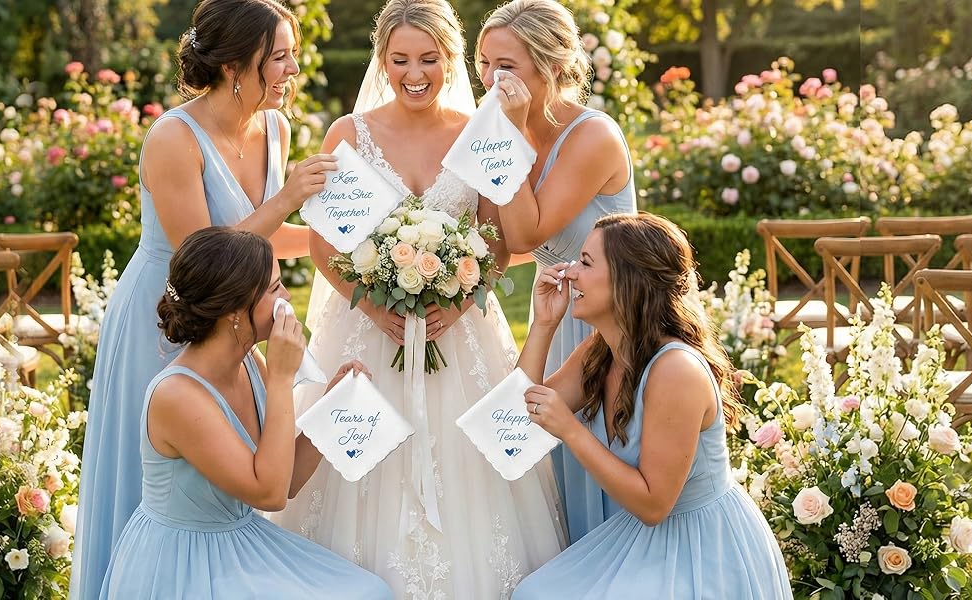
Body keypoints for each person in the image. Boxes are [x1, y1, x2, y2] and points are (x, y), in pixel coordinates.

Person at [270, 1, 563, 597]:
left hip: (459, 333)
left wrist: (456, 304)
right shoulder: (348, 134)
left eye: (429, 58)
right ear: (382, 60)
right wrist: (373, 308)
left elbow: (496, 240)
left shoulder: (479, 134)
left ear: (451, 60)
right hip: (365, 334)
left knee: (470, 466)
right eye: (400, 59)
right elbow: (324, 246)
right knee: (360, 464)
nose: (414, 73)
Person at [71, 0, 337, 595]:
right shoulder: (173, 138)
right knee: (158, 475)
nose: (293, 69)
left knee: (224, 474)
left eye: (293, 54)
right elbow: (205, 255)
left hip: (236, 316)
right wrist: (289, 198)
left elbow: (262, 237)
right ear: (234, 66)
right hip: (167, 312)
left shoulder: (274, 127)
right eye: (279, 57)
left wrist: (340, 242)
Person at [100, 227, 391, 599]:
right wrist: (282, 378)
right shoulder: (178, 396)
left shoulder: (250, 361)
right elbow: (270, 494)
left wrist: (333, 407)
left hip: (239, 542)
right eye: (274, 289)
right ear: (235, 312)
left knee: (371, 590)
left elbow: (286, 480)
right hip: (182, 562)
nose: (287, 298)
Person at [511, 213, 791, 598]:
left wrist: (570, 430)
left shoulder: (675, 371)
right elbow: (517, 416)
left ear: (629, 281)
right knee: (534, 592)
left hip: (701, 549)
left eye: (586, 263)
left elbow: (654, 505)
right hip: (643, 535)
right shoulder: (601, 351)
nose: (571, 273)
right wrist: (543, 325)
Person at [476, 0, 637, 541]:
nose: (490, 80)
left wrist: (506, 136)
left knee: (603, 462)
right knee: (554, 467)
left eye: (506, 66)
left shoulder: (594, 136)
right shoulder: (507, 128)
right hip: (556, 314)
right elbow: (497, 241)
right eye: (483, 64)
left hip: (610, 325)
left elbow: (527, 233)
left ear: (551, 67)